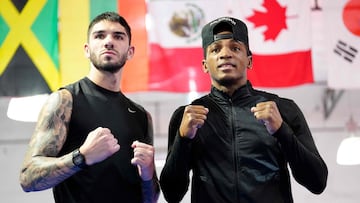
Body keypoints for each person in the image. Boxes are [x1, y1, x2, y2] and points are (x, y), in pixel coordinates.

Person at [159, 16, 328, 203]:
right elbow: (171, 194)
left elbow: (317, 182)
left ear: (249, 60)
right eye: (215, 49)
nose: (225, 54)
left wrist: (282, 131)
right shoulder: (186, 117)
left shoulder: (282, 109)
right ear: (205, 65)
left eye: (235, 48)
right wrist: (183, 139)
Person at [19, 11, 159, 203]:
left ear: (130, 52)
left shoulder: (142, 116)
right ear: (87, 49)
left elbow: (151, 199)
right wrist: (81, 156)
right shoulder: (65, 100)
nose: (108, 41)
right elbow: (28, 178)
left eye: (118, 36)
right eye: (100, 35)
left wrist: (147, 173)